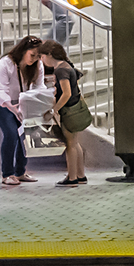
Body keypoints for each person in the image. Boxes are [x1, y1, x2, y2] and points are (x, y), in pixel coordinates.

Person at [0, 35, 49, 186]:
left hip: (20, 101)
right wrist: (12, 109)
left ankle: (20, 172)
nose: (34, 59)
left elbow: (39, 87)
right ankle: (7, 174)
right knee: (11, 133)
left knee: (25, 134)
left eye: (38, 56)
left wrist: (40, 104)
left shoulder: (37, 65)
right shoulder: (6, 63)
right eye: (32, 55)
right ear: (23, 50)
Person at [41, 40, 91, 186]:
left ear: (49, 54)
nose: (42, 61)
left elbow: (66, 93)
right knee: (76, 143)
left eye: (43, 57)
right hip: (76, 109)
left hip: (69, 111)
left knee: (70, 145)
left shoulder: (60, 70)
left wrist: (54, 110)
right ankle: (81, 175)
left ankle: (72, 178)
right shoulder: (67, 65)